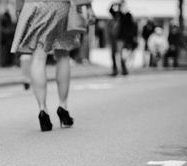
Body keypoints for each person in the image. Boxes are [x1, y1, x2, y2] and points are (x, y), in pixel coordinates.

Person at [11, 0, 95, 132]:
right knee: (63, 55)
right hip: (60, 6)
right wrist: (88, 7)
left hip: (34, 6)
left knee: (38, 57)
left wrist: (19, 7)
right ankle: (63, 107)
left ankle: (42, 109)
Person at [108, 0, 137, 76]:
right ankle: (116, 70)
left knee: (121, 55)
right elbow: (110, 10)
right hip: (116, 38)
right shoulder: (118, 14)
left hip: (122, 39)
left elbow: (132, 28)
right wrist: (114, 4)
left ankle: (124, 69)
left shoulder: (128, 15)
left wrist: (131, 39)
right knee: (114, 54)